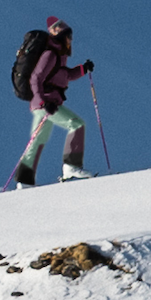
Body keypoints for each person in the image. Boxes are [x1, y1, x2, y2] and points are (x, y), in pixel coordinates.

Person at [15, 17, 94, 187]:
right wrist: (44, 102)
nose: (70, 40)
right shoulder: (50, 55)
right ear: (60, 36)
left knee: (37, 139)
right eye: (68, 36)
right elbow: (36, 78)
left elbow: (66, 75)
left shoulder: (58, 58)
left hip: (43, 104)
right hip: (46, 104)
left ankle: (24, 180)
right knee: (77, 124)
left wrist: (83, 69)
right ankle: (71, 167)